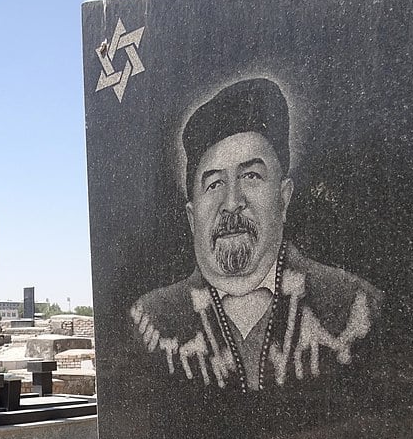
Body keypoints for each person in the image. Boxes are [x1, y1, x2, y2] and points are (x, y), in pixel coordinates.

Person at [131, 78, 382, 392]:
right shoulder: (150, 320)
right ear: (193, 218)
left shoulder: (355, 306)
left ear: (283, 198)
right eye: (214, 184)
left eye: (251, 176)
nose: (232, 202)